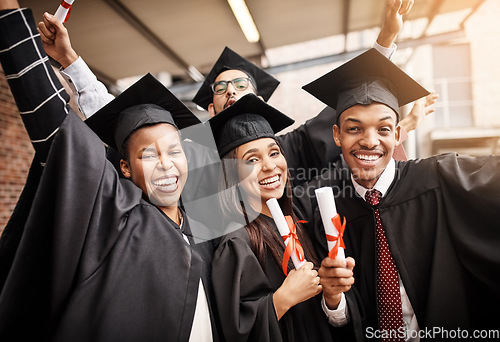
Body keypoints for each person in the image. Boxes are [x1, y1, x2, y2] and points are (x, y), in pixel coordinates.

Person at [37, 0, 435, 187]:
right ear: (211, 107)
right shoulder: (187, 153)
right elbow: (127, 127)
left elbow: (348, 113)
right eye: (222, 88)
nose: (232, 92)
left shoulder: (291, 149)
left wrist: (385, 41)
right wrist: (72, 61)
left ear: (260, 100)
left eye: (242, 85)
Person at [0, 3, 221, 341]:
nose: (165, 162)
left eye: (175, 151)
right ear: (124, 168)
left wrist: (72, 59)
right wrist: (10, 17)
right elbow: (58, 133)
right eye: (149, 156)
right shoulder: (117, 217)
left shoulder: (206, 222)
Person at [294, 48, 500, 341]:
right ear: (337, 135)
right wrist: (333, 299)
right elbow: (342, 321)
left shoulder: (439, 178)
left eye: (383, 129)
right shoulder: (326, 211)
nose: (369, 141)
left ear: (398, 133)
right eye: (355, 129)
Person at [206, 93, 356, 341]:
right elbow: (233, 330)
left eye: (274, 153)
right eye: (252, 159)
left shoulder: (301, 220)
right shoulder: (236, 243)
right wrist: (282, 299)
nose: (269, 166)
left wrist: (333, 296)